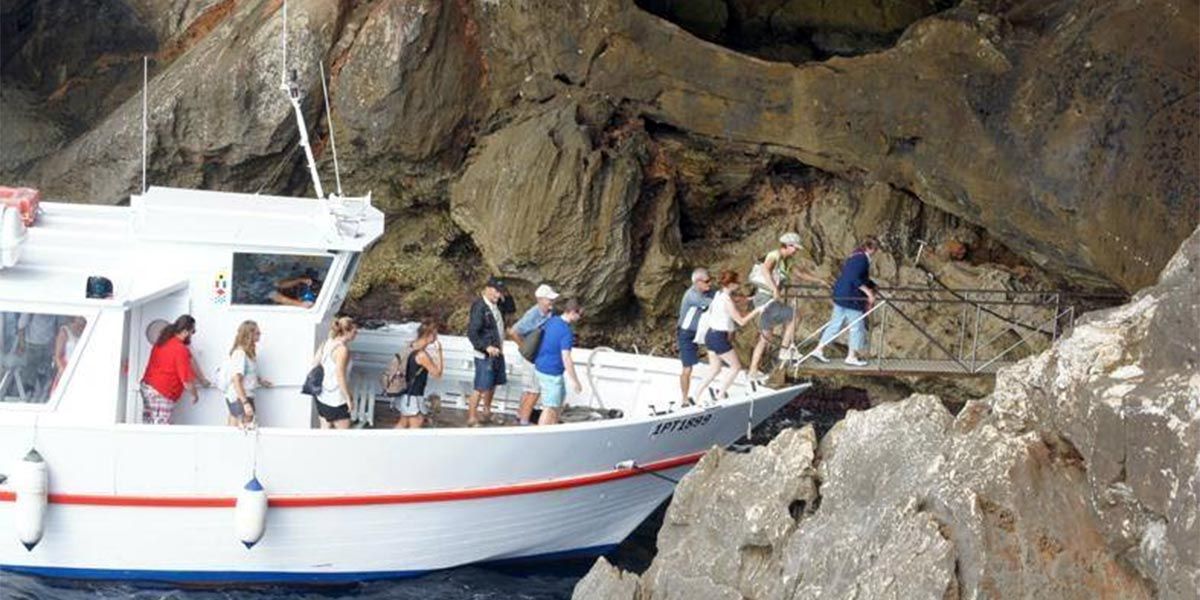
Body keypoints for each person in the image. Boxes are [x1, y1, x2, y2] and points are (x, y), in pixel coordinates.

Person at [747, 232, 827, 381]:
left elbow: (800, 273)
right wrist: (775, 289)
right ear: (788, 246)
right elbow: (765, 270)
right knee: (794, 315)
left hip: (768, 298)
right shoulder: (774, 255)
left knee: (766, 337)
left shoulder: (787, 261)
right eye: (795, 248)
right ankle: (784, 350)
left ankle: (752, 370)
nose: (796, 251)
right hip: (765, 298)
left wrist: (819, 280)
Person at [694, 271, 767, 403]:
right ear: (731, 284)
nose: (738, 285)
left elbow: (736, 301)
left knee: (715, 369)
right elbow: (741, 321)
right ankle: (720, 394)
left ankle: (696, 394)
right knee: (736, 367)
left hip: (710, 335)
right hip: (719, 338)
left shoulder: (719, 294)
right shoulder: (727, 301)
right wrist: (758, 310)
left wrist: (750, 299)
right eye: (737, 283)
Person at [811, 236, 880, 366]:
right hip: (851, 298)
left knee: (835, 324)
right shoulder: (862, 259)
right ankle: (851, 356)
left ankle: (819, 349)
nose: (876, 252)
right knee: (857, 327)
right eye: (876, 249)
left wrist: (872, 284)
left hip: (841, 294)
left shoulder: (854, 256)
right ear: (871, 248)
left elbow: (855, 276)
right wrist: (869, 293)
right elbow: (855, 278)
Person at [509, 284, 560, 425]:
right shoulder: (533, 314)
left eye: (552, 299)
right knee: (534, 390)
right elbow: (513, 332)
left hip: (538, 357)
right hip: (532, 359)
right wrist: (526, 349)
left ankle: (520, 417)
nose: (552, 302)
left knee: (529, 389)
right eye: (549, 299)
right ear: (540, 300)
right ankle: (524, 422)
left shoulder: (549, 313)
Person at [140, 315, 200, 425]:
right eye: (193, 331)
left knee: (148, 425)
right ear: (186, 332)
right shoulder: (180, 350)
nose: (193, 335)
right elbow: (186, 381)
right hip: (161, 391)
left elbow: (191, 360)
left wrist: (202, 379)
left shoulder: (163, 341)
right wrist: (195, 395)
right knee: (161, 428)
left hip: (148, 386)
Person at [532, 299, 584, 425]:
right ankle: (540, 437)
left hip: (540, 367)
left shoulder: (552, 321)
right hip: (551, 373)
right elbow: (566, 358)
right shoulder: (566, 332)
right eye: (580, 315)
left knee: (558, 402)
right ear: (572, 313)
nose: (580, 318)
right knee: (549, 408)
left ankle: (553, 430)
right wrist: (575, 381)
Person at [466, 277, 508, 427]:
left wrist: (503, 296)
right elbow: (472, 333)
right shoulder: (479, 307)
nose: (498, 295)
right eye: (496, 291)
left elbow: (511, 307)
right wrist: (486, 347)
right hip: (484, 355)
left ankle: (486, 412)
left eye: (500, 292)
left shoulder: (497, 305)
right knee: (480, 386)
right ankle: (472, 417)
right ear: (488, 288)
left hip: (498, 352)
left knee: (492, 385)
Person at [223, 320, 274, 428]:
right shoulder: (240, 353)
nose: (260, 335)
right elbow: (236, 380)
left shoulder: (248, 352)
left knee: (233, 429)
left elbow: (248, 373)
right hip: (241, 397)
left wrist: (260, 381)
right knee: (245, 431)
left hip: (240, 397)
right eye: (257, 333)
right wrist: (245, 403)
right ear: (249, 334)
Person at [394, 320, 444, 429]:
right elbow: (438, 374)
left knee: (403, 423)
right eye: (435, 335)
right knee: (417, 423)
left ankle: (388, 443)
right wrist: (439, 352)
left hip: (404, 393)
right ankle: (406, 446)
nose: (436, 338)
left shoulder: (411, 346)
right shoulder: (422, 355)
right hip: (414, 395)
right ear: (429, 335)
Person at [677, 268, 714, 404]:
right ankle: (685, 399)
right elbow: (717, 303)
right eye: (707, 281)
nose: (710, 284)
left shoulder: (708, 291)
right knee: (687, 368)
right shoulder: (692, 295)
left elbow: (722, 296)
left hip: (701, 331)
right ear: (698, 282)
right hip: (686, 334)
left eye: (710, 280)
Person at [313, 316, 357, 429]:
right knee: (343, 436)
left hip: (322, 395)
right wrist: (348, 397)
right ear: (346, 331)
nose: (356, 334)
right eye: (354, 331)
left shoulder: (327, 342)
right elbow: (340, 375)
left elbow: (314, 363)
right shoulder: (342, 350)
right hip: (337, 398)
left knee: (324, 431)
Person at [15, 313, 57, 399]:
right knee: (29, 379)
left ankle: (43, 398)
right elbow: (21, 326)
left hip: (49, 345)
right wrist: (21, 345)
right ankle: (27, 399)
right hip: (32, 345)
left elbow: (57, 325)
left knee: (46, 377)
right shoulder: (31, 307)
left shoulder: (53, 306)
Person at [50, 316, 86, 393]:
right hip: (66, 368)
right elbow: (58, 355)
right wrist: (63, 371)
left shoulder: (88, 329)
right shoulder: (65, 331)